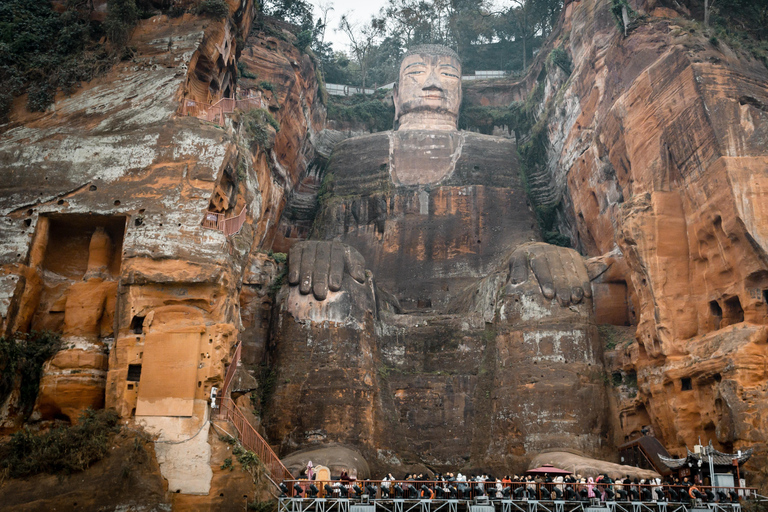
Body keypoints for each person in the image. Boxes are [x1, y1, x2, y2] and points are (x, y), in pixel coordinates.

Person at [273, 42, 606, 469]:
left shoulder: (497, 153)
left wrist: (544, 252)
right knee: (321, 287)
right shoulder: (354, 154)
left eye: (447, 74)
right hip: (374, 300)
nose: (432, 82)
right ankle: (332, 445)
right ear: (395, 96)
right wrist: (319, 250)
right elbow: (331, 238)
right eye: (416, 73)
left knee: (543, 284)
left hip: (477, 297)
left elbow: (518, 243)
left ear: (462, 94)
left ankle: (558, 447)